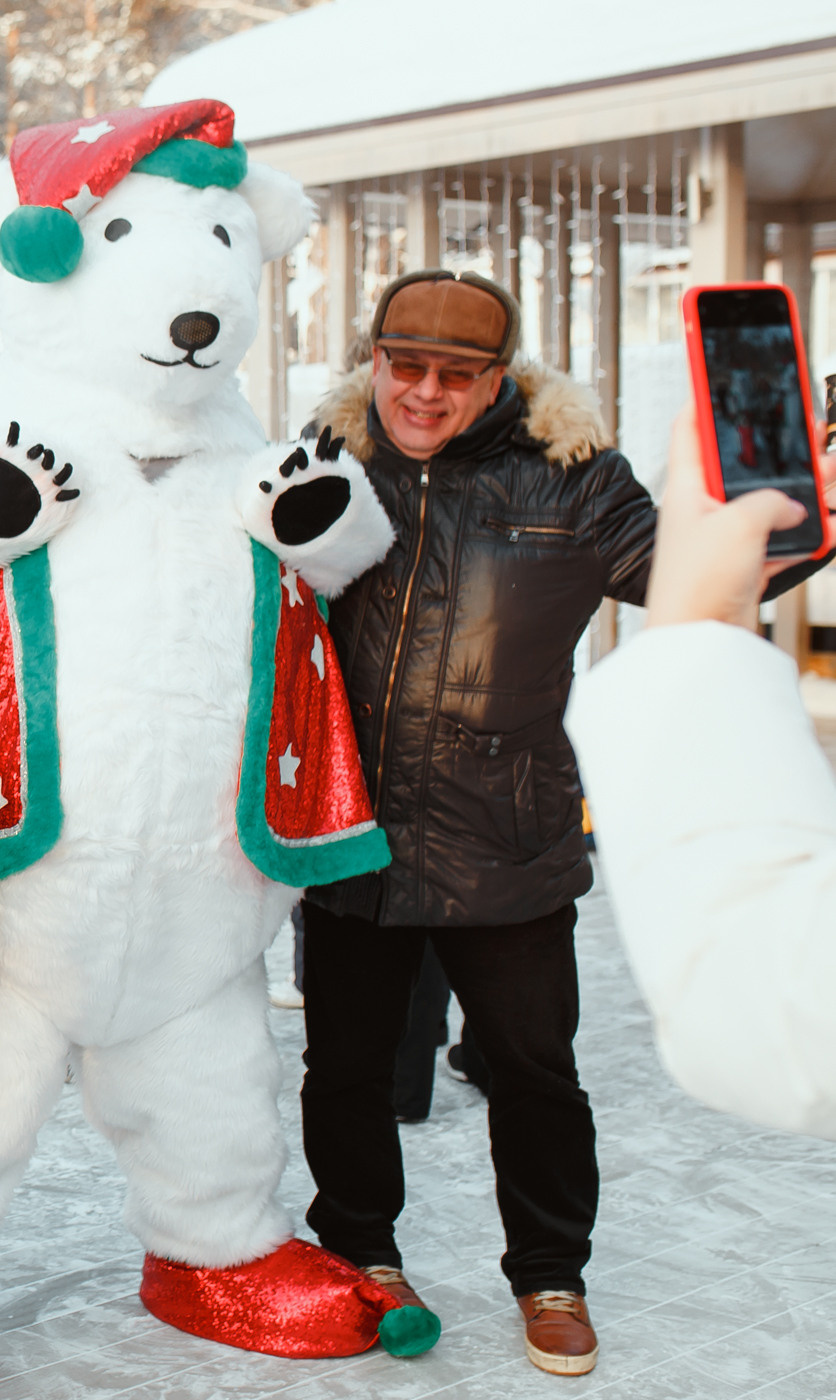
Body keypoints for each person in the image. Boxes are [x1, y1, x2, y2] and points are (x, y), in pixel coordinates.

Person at [291, 269, 810, 1377]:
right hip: (355, 833)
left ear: (498, 379)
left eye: (454, 374)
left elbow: (702, 575)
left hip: (508, 837)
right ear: (372, 359)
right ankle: (361, 1252)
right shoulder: (329, 459)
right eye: (405, 365)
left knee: (533, 1070)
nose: (423, 394)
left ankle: (550, 1273)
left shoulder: (572, 476)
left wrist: (805, 513)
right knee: (344, 1067)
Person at [567, 406, 836, 1140]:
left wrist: (698, 630)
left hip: (521, 825)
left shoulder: (568, 469)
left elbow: (764, 1013)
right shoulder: (349, 466)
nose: (429, 392)